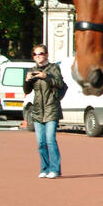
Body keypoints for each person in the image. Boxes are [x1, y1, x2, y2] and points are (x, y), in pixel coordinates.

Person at [24, 46, 68, 178]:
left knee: (50, 140)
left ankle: (55, 169)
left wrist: (46, 76)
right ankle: (44, 168)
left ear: (46, 55)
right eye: (35, 54)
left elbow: (60, 84)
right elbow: (27, 90)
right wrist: (27, 81)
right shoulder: (32, 70)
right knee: (41, 142)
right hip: (37, 110)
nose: (38, 56)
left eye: (41, 53)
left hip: (51, 108)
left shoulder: (53, 68)